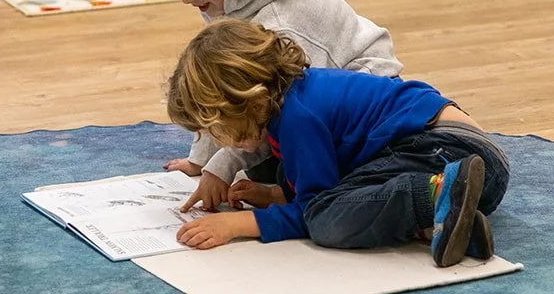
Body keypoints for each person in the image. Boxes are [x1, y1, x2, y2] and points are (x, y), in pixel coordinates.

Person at [166, 19, 509, 266]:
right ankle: (452, 220)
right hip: (470, 165)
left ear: (244, 102)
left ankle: (435, 196)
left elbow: (314, 208)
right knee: (287, 172)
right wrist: (277, 194)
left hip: (444, 150)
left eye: (215, 129)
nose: (215, 139)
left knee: (325, 220)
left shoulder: (297, 116)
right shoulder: (296, 96)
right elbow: (332, 168)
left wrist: (237, 225)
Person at [146, 0, 400, 211]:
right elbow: (220, 85)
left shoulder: (280, 23)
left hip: (370, 113)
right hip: (305, 105)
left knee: (304, 180)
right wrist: (201, 161)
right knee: (257, 167)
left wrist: (221, 167)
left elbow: (276, 110)